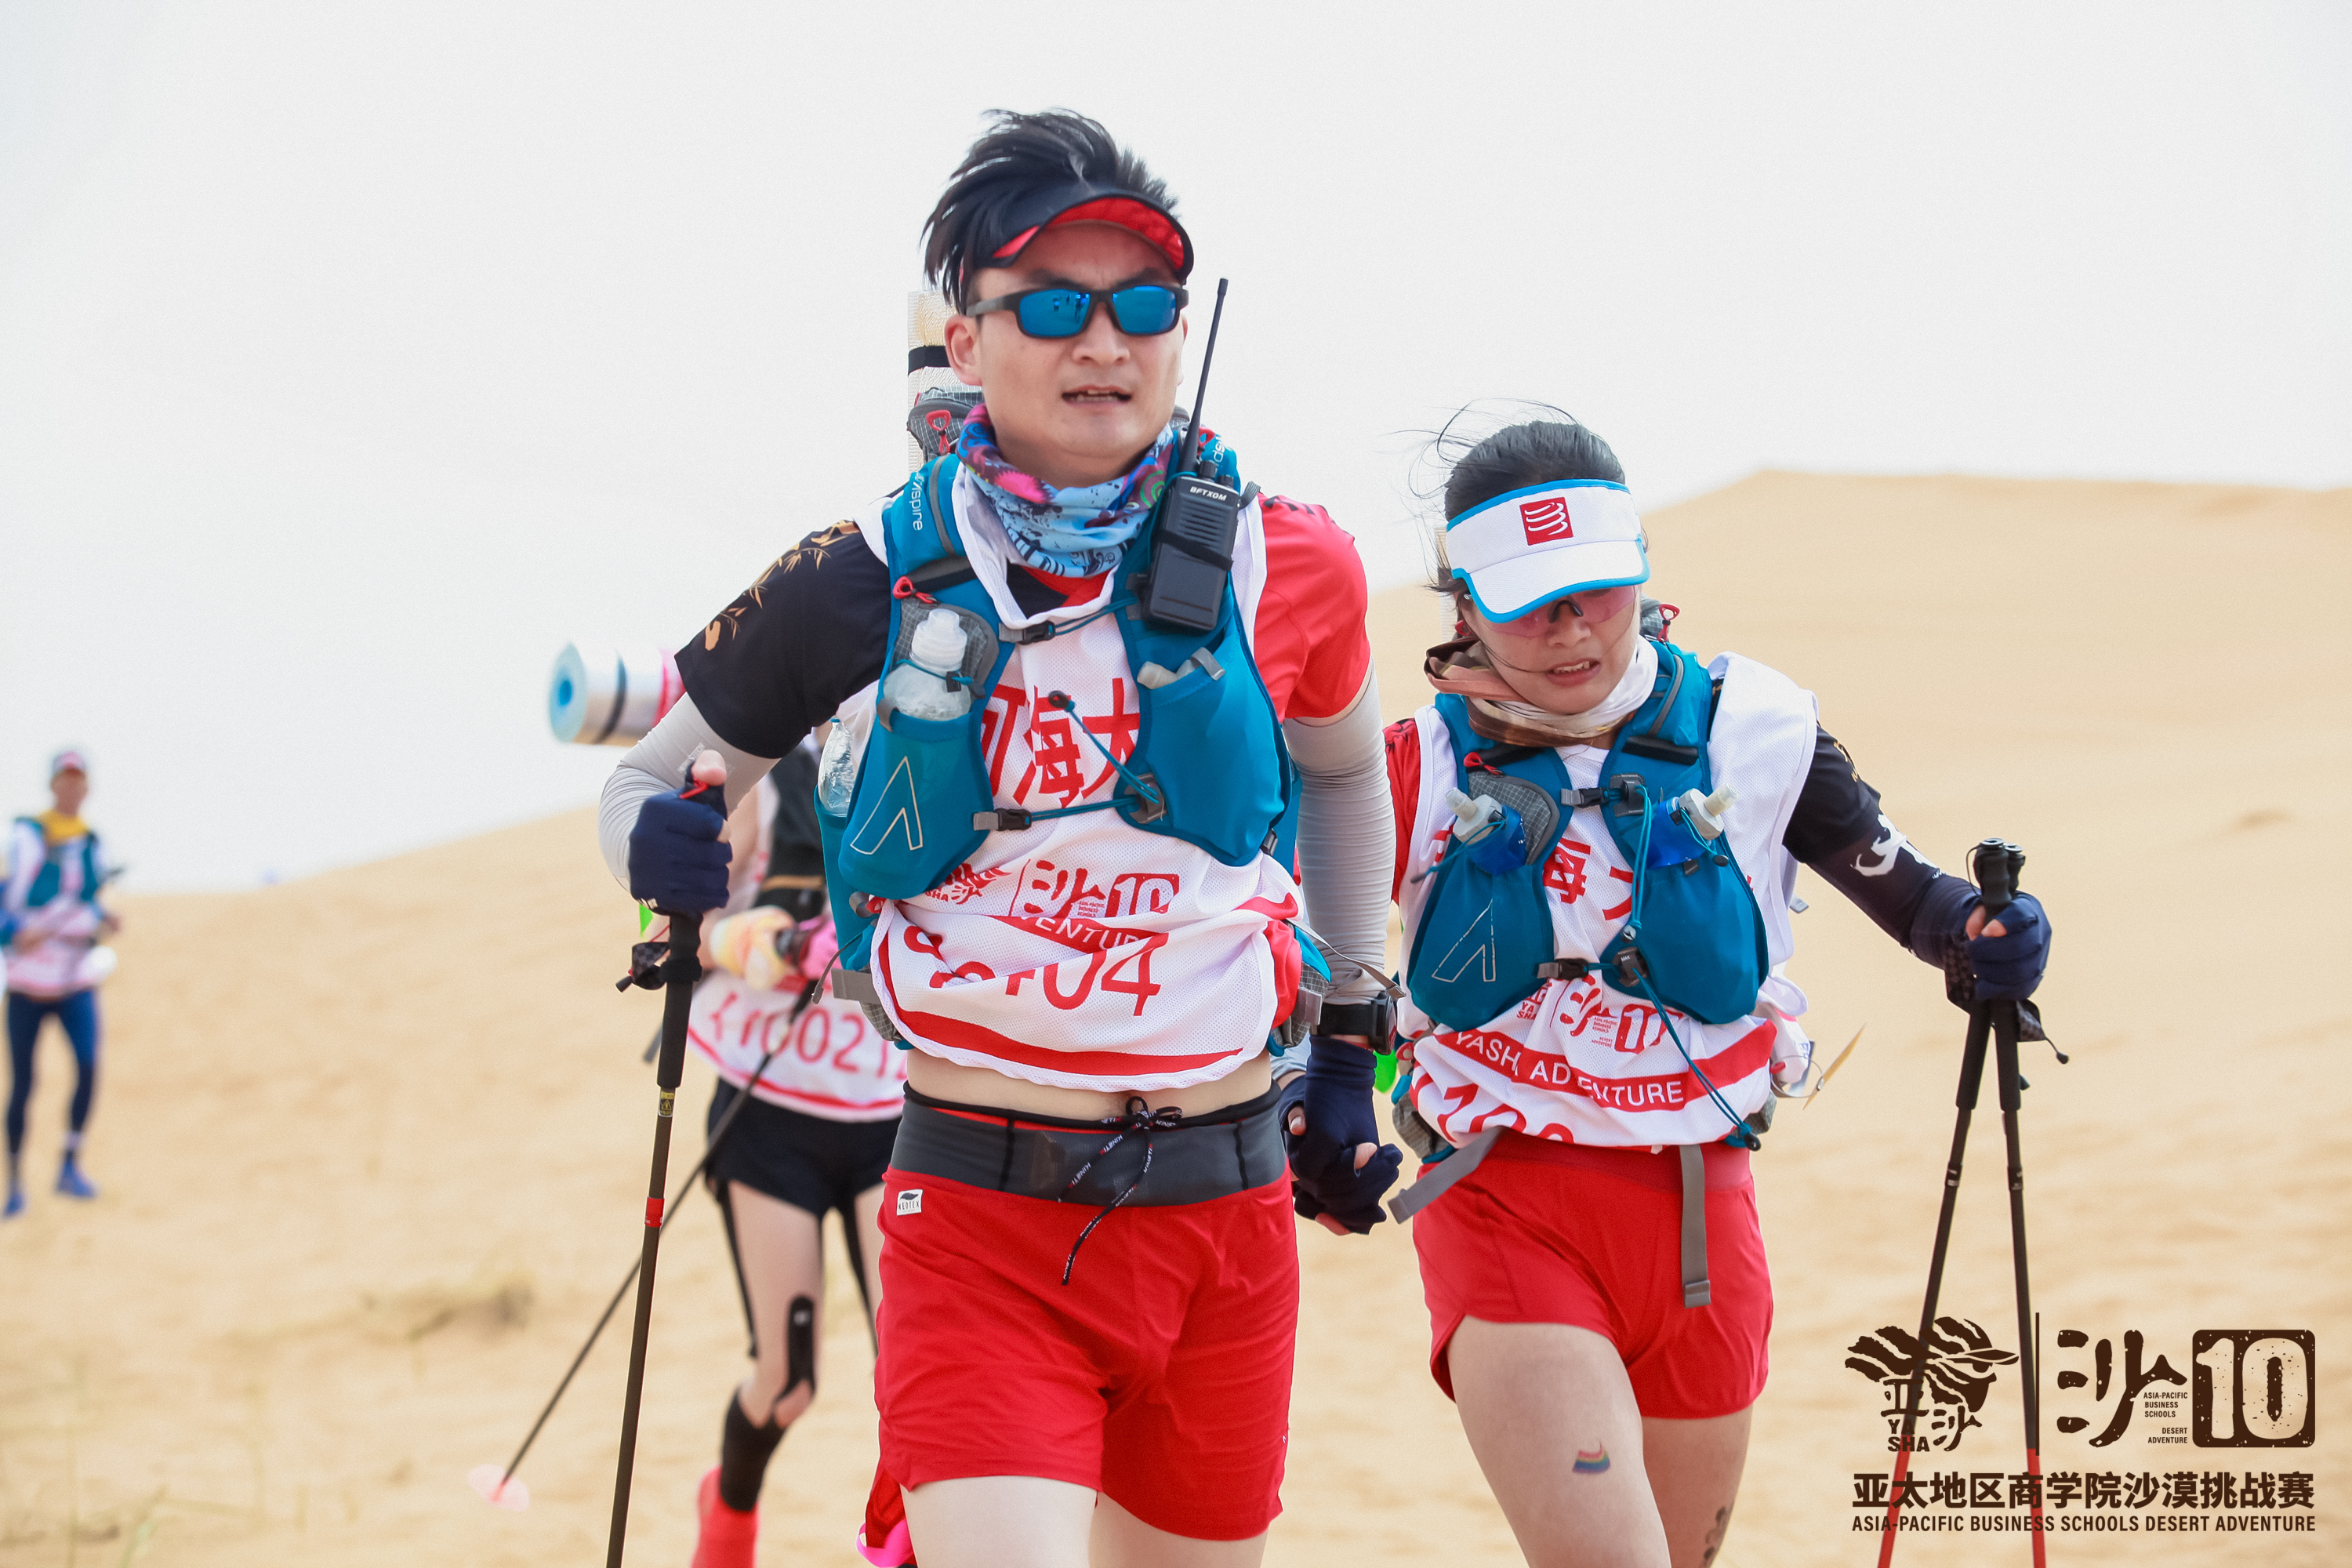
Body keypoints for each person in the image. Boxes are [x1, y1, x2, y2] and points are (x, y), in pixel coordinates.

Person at [601, 110, 1399, 1567]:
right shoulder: (858, 576)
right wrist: (655, 849)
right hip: (979, 1212)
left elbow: (1345, 780)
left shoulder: (1291, 559)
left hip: (1227, 1223)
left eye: (1143, 304)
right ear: (964, 342)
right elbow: (648, 783)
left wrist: (1353, 1038)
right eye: (1051, 305)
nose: (1104, 341)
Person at [1381, 417, 2053, 1568]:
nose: (1571, 626)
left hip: (1704, 1210)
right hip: (1501, 1196)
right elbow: (1274, 941)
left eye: (1597, 589)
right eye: (1533, 601)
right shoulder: (1408, 765)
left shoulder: (1756, 726)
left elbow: (1912, 897)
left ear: (1641, 569)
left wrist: (1983, 936)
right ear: (1466, 606)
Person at [685, 739, 907, 1568]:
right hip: (769, 1109)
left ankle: (907, 1545)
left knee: (915, 1372)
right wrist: (751, 943)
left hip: (893, 1111)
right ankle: (727, 1521)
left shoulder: (928, 748)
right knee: (786, 1383)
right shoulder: (758, 767)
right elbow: (664, 927)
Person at [5, 750, 118, 1218]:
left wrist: (103, 919)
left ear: (86, 788)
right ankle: (14, 1181)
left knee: (88, 1065)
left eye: (78, 781)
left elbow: (86, 902)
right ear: (53, 785)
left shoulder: (92, 844)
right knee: (24, 1083)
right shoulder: (24, 837)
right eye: (64, 780)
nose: (72, 788)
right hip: (27, 983)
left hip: (75, 978)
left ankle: (70, 1164)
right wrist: (14, 932)